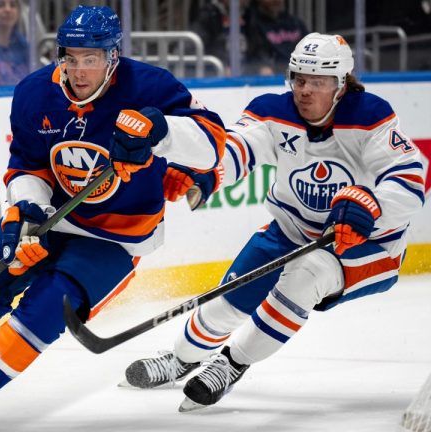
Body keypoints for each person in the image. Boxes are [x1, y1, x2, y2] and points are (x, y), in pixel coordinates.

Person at [0, 5, 226, 431]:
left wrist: (161, 131)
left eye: (91, 59)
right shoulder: (35, 93)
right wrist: (27, 210)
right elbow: (27, 164)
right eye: (70, 58)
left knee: (48, 306)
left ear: (113, 56)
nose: (79, 71)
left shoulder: (149, 86)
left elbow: (213, 143)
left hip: (116, 235)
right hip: (51, 217)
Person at [123, 33, 426, 412]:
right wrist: (205, 171)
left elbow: (409, 176)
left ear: (342, 85)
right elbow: (236, 147)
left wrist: (373, 206)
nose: (305, 90)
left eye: (318, 82)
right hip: (292, 231)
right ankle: (181, 359)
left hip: (367, 245)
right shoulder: (273, 111)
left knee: (307, 273)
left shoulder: (370, 117)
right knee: (226, 302)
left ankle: (232, 364)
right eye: (299, 79)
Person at [243, 0, 307, 75]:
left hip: (298, 75)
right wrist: (261, 67)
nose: (276, 1)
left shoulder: (295, 23)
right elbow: (255, 58)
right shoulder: (250, 24)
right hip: (270, 78)